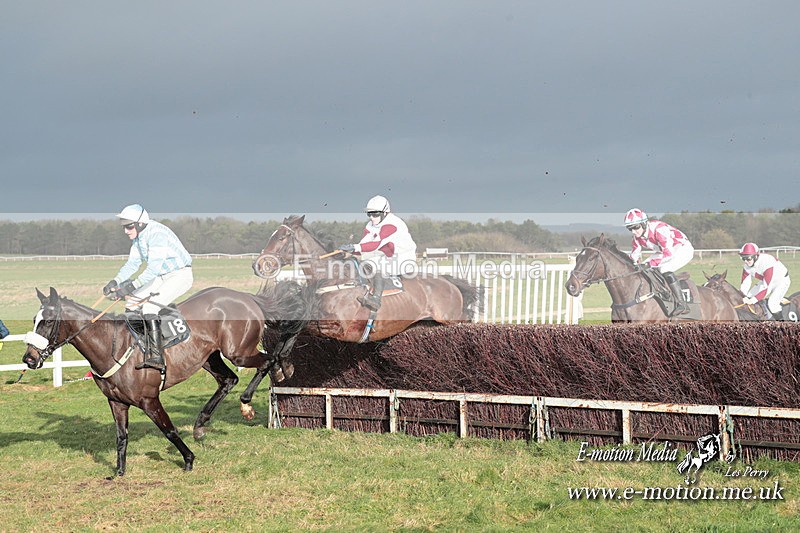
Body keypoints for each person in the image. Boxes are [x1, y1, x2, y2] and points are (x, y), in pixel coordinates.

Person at [103, 204, 193, 370]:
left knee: (149, 308)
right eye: (124, 227)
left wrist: (129, 287)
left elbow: (152, 270)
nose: (126, 231)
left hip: (179, 275)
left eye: (129, 226)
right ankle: (142, 344)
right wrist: (115, 281)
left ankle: (157, 356)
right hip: (161, 276)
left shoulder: (157, 234)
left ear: (140, 223)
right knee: (131, 304)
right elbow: (132, 264)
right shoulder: (139, 237)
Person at [339, 195, 417, 311]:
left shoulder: (392, 224)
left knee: (375, 264)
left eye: (375, 214)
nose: (371, 217)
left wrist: (354, 247)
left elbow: (376, 244)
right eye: (369, 214)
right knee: (364, 262)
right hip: (387, 254)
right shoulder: (370, 225)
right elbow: (364, 244)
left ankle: (376, 300)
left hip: (403, 257)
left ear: (385, 212)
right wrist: (349, 251)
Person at [624, 208, 694, 315]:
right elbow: (634, 256)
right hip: (664, 251)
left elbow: (669, 254)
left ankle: (682, 304)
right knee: (643, 269)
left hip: (682, 249)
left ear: (644, 224)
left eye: (635, 227)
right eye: (630, 228)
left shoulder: (660, 229)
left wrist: (648, 264)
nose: (633, 231)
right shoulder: (637, 237)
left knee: (664, 269)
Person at [738, 242, 791, 321]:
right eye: (743, 258)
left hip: (781, 281)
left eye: (748, 258)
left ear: (756, 256)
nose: (746, 261)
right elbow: (745, 284)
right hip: (767, 281)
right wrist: (742, 296)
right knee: (748, 295)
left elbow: (766, 289)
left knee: (772, 304)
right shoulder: (747, 266)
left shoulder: (767, 263)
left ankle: (783, 324)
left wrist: (752, 301)